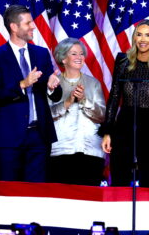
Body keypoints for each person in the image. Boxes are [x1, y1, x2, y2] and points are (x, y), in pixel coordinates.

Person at [99, 19, 149, 187]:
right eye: (139, 35)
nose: (143, 39)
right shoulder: (122, 61)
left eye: (148, 35)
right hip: (124, 122)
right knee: (119, 174)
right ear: (134, 38)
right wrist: (107, 131)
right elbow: (114, 96)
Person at [0, 5, 61, 182]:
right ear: (14, 27)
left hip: (38, 137)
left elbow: (56, 94)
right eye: (28, 23)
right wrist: (23, 84)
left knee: (36, 193)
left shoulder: (41, 54)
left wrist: (52, 86)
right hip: (8, 138)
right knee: (8, 192)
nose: (33, 26)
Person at [48, 38, 106, 186]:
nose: (79, 57)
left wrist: (84, 99)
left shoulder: (93, 83)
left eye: (81, 54)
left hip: (91, 151)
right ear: (63, 59)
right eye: (74, 54)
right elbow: (47, 116)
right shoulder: (53, 83)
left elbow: (102, 116)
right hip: (61, 151)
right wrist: (67, 102)